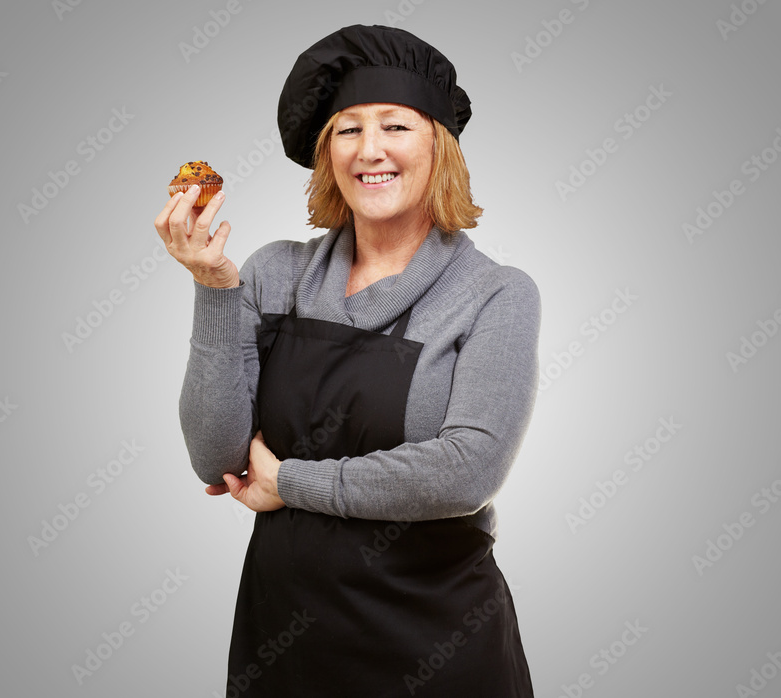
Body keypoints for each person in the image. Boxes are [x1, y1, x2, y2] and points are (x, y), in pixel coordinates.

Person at [155, 24, 540, 697]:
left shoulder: (495, 294)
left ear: (438, 147)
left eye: (395, 126)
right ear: (327, 152)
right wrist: (214, 288)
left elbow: (464, 471)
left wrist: (291, 482)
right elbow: (215, 453)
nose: (370, 151)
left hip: (440, 646)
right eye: (347, 130)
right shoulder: (274, 274)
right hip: (283, 648)